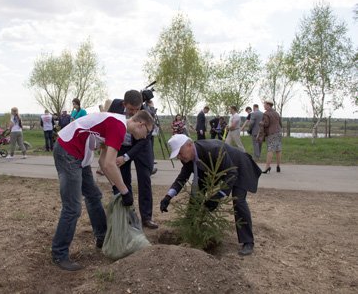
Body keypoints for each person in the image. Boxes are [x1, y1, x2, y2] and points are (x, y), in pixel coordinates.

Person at [51, 109, 154, 271]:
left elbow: (103, 161)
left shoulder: (116, 123)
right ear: (141, 124)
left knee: (94, 196)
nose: (145, 136)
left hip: (79, 155)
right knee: (73, 208)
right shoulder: (118, 126)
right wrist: (125, 192)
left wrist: (116, 186)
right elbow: (109, 164)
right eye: (147, 132)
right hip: (68, 152)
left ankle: (102, 237)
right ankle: (59, 253)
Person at [159, 135, 261, 256]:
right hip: (214, 171)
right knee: (196, 195)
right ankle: (190, 230)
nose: (179, 157)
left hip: (239, 166)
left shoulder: (213, 149)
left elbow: (232, 173)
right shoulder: (187, 157)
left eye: (180, 153)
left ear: (189, 145)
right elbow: (182, 178)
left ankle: (248, 241)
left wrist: (218, 196)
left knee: (238, 201)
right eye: (177, 155)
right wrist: (168, 196)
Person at [108, 90, 158, 229]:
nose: (134, 113)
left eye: (137, 109)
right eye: (131, 109)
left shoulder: (146, 113)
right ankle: (129, 216)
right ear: (124, 104)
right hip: (121, 145)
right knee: (123, 180)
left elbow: (144, 141)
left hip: (141, 148)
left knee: (144, 181)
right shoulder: (115, 105)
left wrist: (127, 157)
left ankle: (146, 218)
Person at [259, 100, 283, 173]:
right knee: (278, 149)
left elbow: (266, 124)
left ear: (268, 105)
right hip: (278, 132)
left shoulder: (266, 114)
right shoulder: (276, 113)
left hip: (271, 133)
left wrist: (261, 123)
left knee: (270, 150)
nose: (264, 106)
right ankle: (278, 166)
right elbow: (280, 123)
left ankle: (267, 167)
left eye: (265, 104)